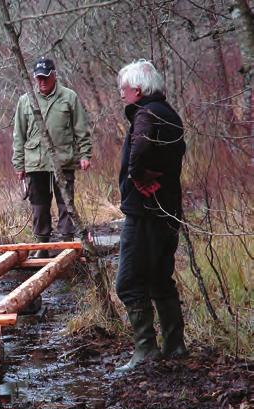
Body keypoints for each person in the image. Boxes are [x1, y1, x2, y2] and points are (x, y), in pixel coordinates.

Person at [115, 59, 188, 372]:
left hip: (144, 212)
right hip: (168, 209)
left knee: (128, 282)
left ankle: (146, 350)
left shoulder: (145, 114)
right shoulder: (170, 114)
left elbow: (139, 150)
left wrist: (136, 176)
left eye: (125, 89)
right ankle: (176, 347)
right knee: (160, 278)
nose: (122, 94)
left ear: (140, 89)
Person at [12, 57, 92, 257]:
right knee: (39, 206)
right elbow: (18, 135)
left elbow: (81, 128)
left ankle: (66, 243)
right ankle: (42, 246)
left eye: (46, 77)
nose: (42, 82)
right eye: (39, 78)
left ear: (54, 75)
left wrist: (85, 154)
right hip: (35, 162)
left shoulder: (69, 97)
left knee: (66, 204)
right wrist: (19, 163)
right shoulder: (25, 100)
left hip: (63, 160)